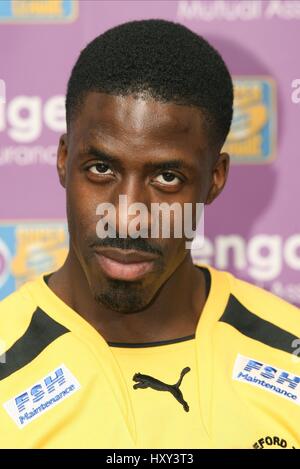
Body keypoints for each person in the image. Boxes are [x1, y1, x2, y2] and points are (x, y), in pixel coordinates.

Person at [0, 19, 299, 450]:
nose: (127, 218)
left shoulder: (289, 357)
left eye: (167, 177)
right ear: (64, 160)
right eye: (101, 169)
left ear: (215, 179)